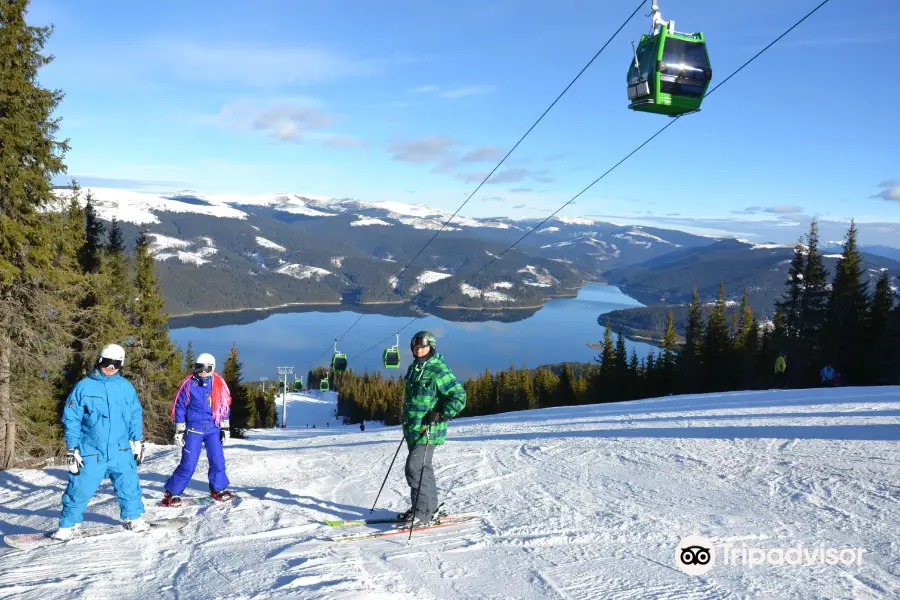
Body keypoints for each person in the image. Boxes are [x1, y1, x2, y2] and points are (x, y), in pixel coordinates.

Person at [52, 344, 148, 540]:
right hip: (91, 449)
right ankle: (69, 525)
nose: (110, 368)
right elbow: (71, 418)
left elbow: (135, 414)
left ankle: (134, 517)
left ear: (121, 365)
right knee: (79, 487)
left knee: (129, 484)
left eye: (115, 364)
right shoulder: (84, 387)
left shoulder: (125, 387)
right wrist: (72, 449)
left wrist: (137, 440)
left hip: (120, 448)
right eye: (106, 363)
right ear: (99, 360)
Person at [398, 331, 467, 526]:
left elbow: (459, 396)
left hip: (429, 430)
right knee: (422, 469)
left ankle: (423, 514)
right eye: (415, 347)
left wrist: (440, 413)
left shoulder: (438, 371)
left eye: (423, 347)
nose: (418, 350)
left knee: (414, 468)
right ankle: (426, 508)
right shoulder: (415, 368)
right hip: (413, 429)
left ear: (431, 348)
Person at [160, 353, 233, 506]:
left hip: (213, 428)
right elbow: (180, 407)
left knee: (217, 460)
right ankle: (172, 492)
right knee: (188, 463)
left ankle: (218, 488)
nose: (203, 371)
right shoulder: (189, 384)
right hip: (194, 429)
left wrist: (225, 427)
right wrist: (180, 429)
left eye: (206, 368)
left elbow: (224, 405)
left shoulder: (219, 384)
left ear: (212, 368)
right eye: (199, 367)